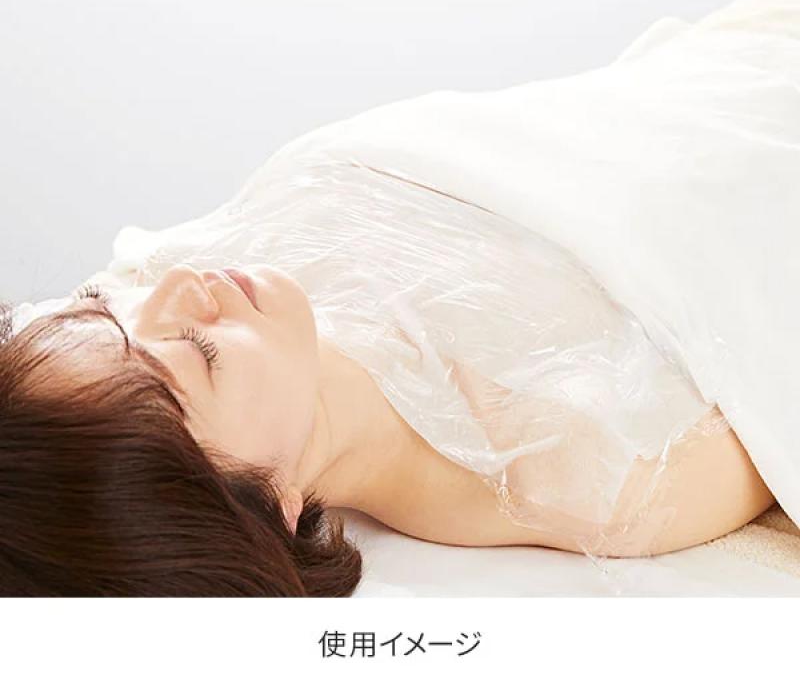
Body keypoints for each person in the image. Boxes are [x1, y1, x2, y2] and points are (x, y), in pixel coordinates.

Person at [0, 155, 776, 597]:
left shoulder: (188, 274)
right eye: (197, 354)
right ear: (273, 502)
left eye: (96, 301)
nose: (174, 285)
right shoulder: (574, 474)